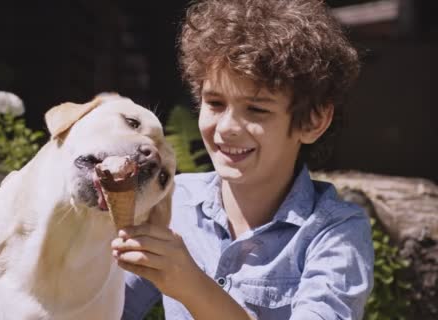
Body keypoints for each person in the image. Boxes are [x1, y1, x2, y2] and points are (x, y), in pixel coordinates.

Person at [111, 0, 374, 319]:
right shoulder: (171, 203)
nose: (227, 128)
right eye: (216, 103)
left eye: (257, 109)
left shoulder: (335, 231)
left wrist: (192, 286)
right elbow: (107, 309)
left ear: (313, 121)